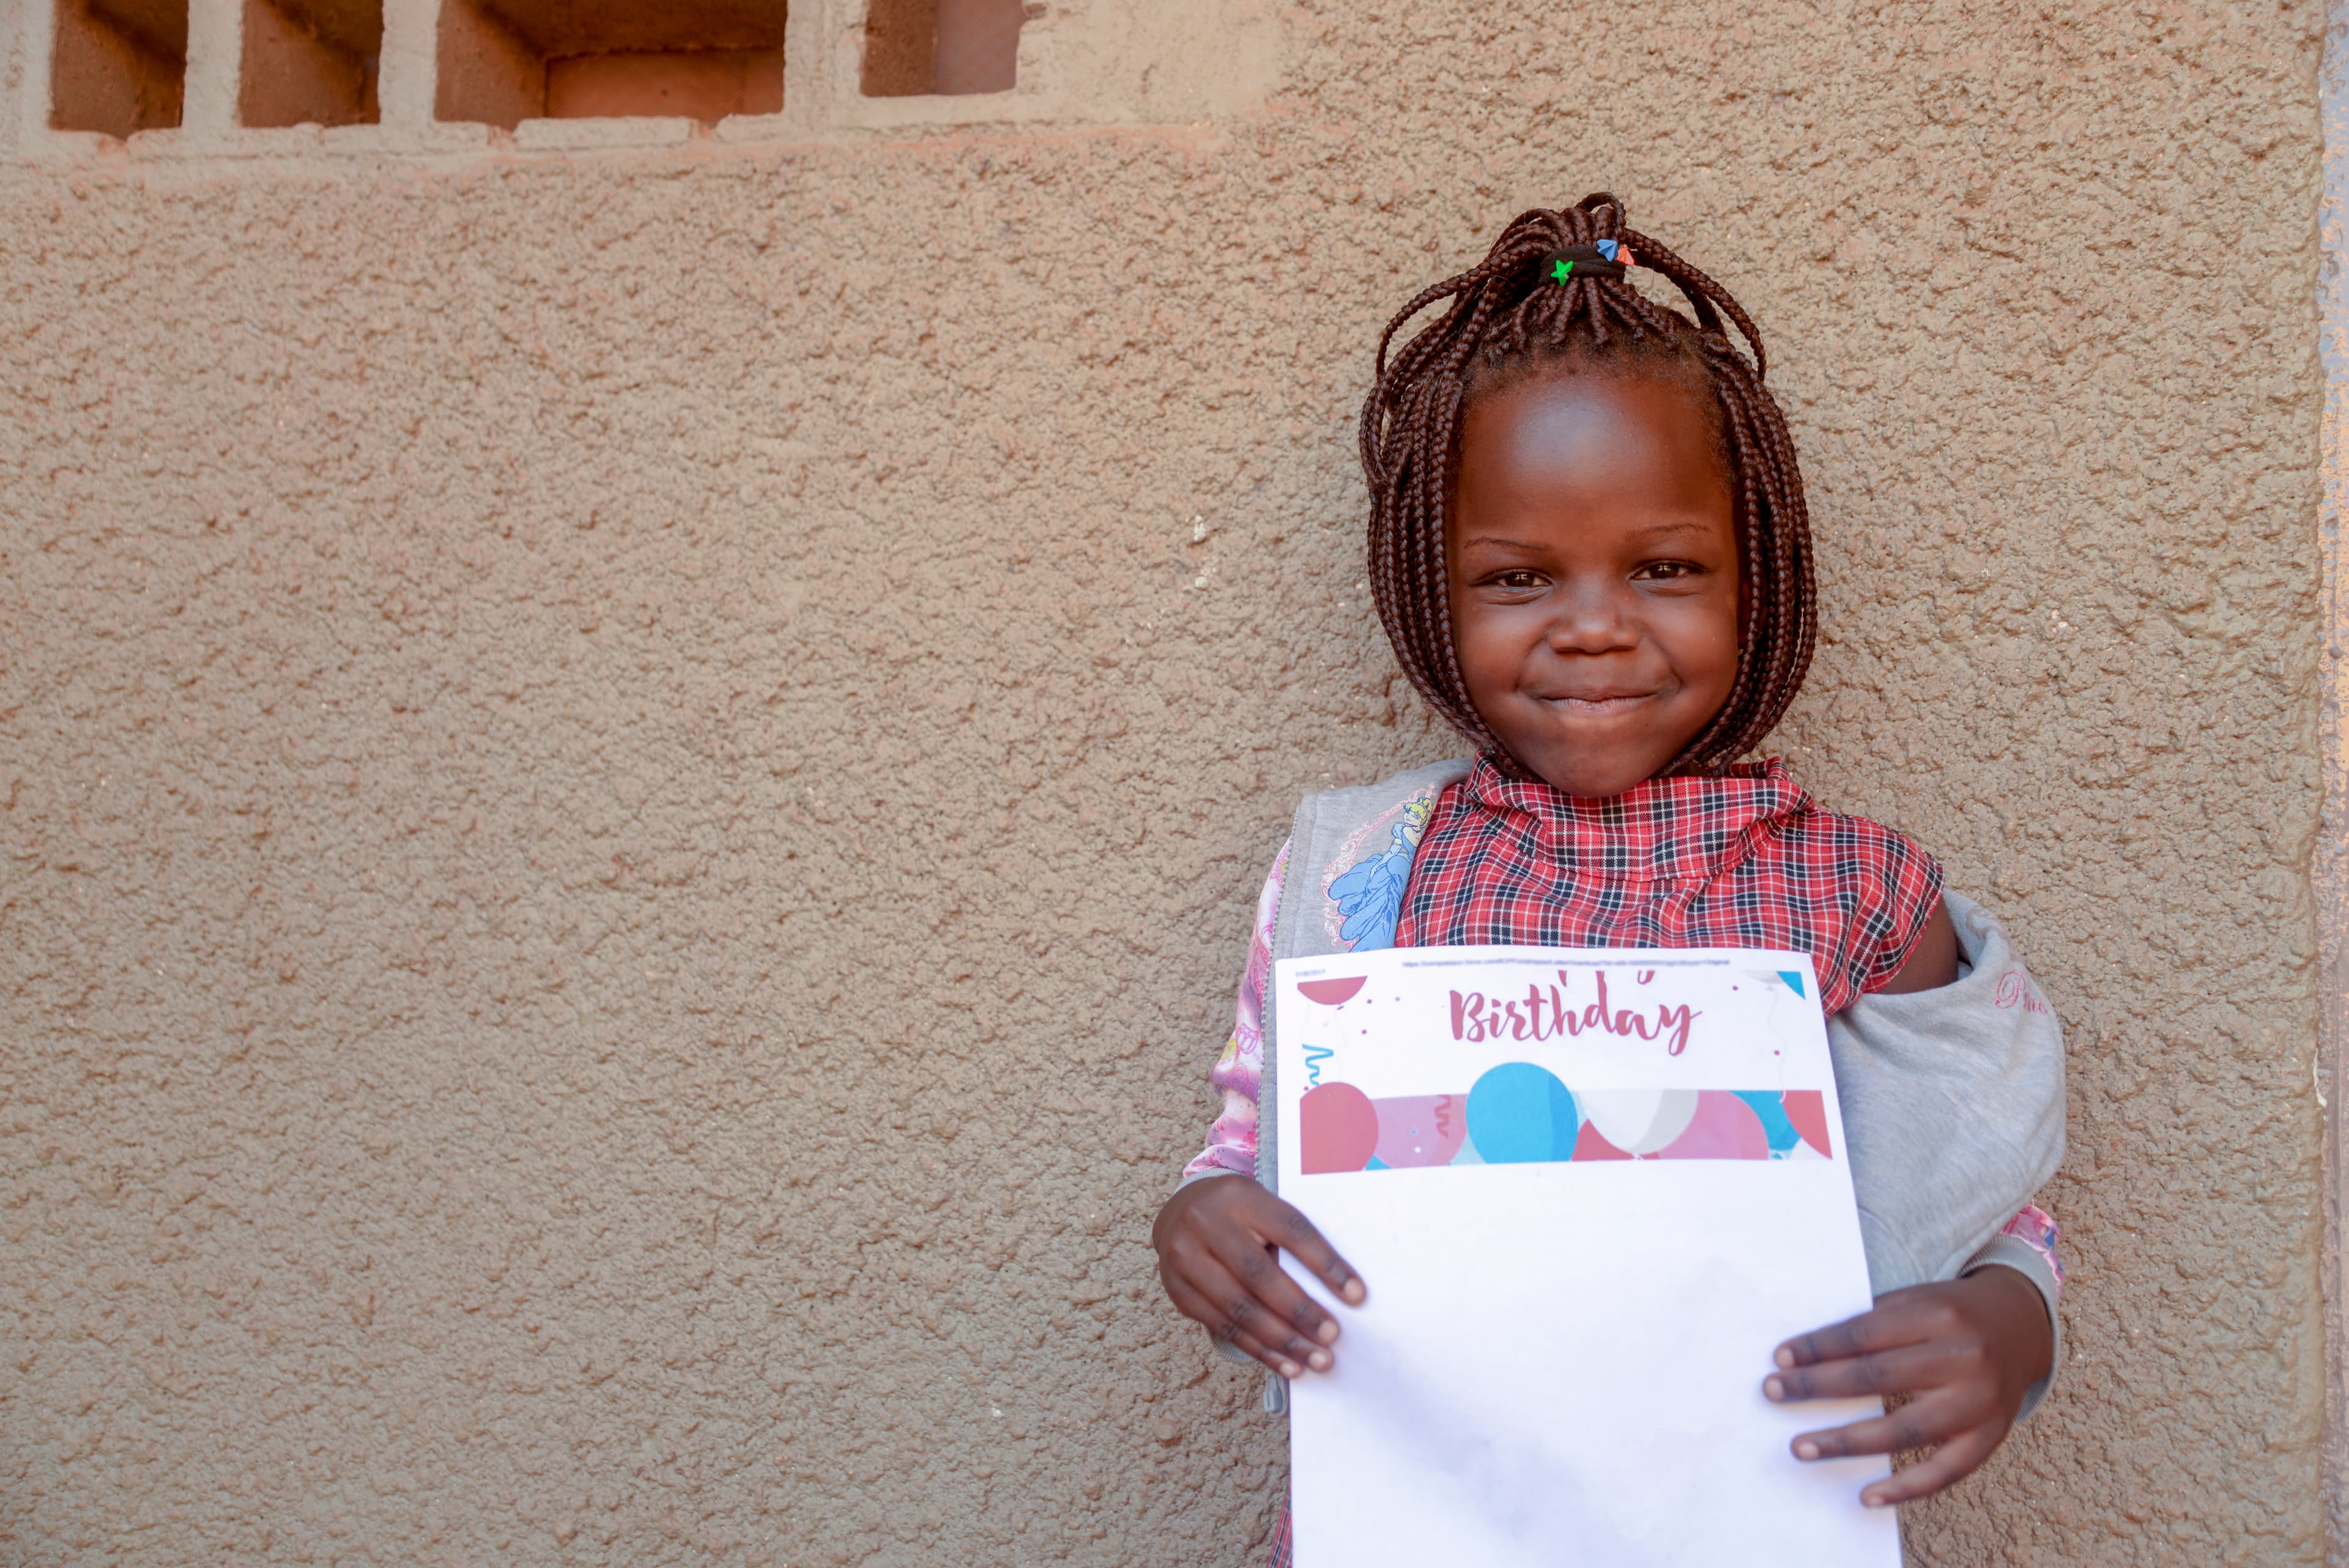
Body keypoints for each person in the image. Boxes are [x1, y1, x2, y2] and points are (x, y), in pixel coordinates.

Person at [1149, 193, 2068, 1562]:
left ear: (1759, 579)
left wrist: (2011, 1324)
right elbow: (1252, 1147)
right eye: (1519, 577)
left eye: (1666, 567)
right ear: (1427, 590)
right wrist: (1205, 1224)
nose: (1593, 626)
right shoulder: (1360, 878)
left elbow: (1982, 1188)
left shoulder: (1860, 893)